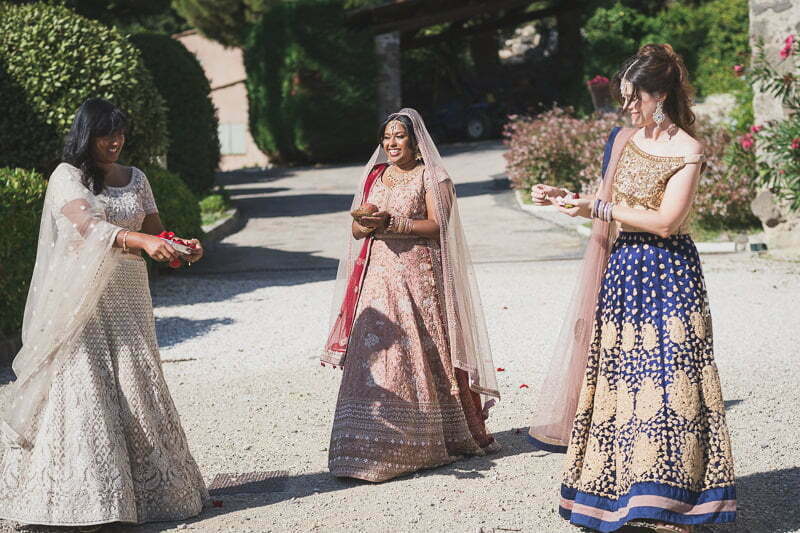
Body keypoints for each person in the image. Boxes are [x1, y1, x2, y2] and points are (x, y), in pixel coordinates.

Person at [527, 45, 736, 533]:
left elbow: (666, 221)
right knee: (623, 386)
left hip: (671, 273)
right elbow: (606, 202)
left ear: (659, 95)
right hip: (624, 272)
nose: (627, 107)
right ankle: (627, 497)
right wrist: (566, 198)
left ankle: (676, 503)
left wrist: (599, 209)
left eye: (633, 97)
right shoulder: (622, 140)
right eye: (623, 97)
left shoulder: (688, 150)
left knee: (673, 383)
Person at [0, 98, 208, 529]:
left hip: (130, 296)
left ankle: (150, 497)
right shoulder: (67, 177)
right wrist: (144, 242)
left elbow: (155, 233)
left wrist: (180, 248)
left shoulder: (137, 178)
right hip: (82, 300)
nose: (115, 142)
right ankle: (78, 501)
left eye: (119, 134)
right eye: (105, 135)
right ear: (86, 136)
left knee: (135, 381)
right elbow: (89, 228)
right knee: (84, 386)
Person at [323, 108, 500, 482]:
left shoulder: (432, 177)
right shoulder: (376, 177)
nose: (391, 143)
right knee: (374, 352)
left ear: (415, 141)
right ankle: (360, 447)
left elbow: (439, 226)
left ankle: (424, 440)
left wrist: (396, 223)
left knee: (418, 349)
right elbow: (356, 231)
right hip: (378, 278)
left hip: (419, 277)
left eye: (399, 136)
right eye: (386, 137)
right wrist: (366, 224)